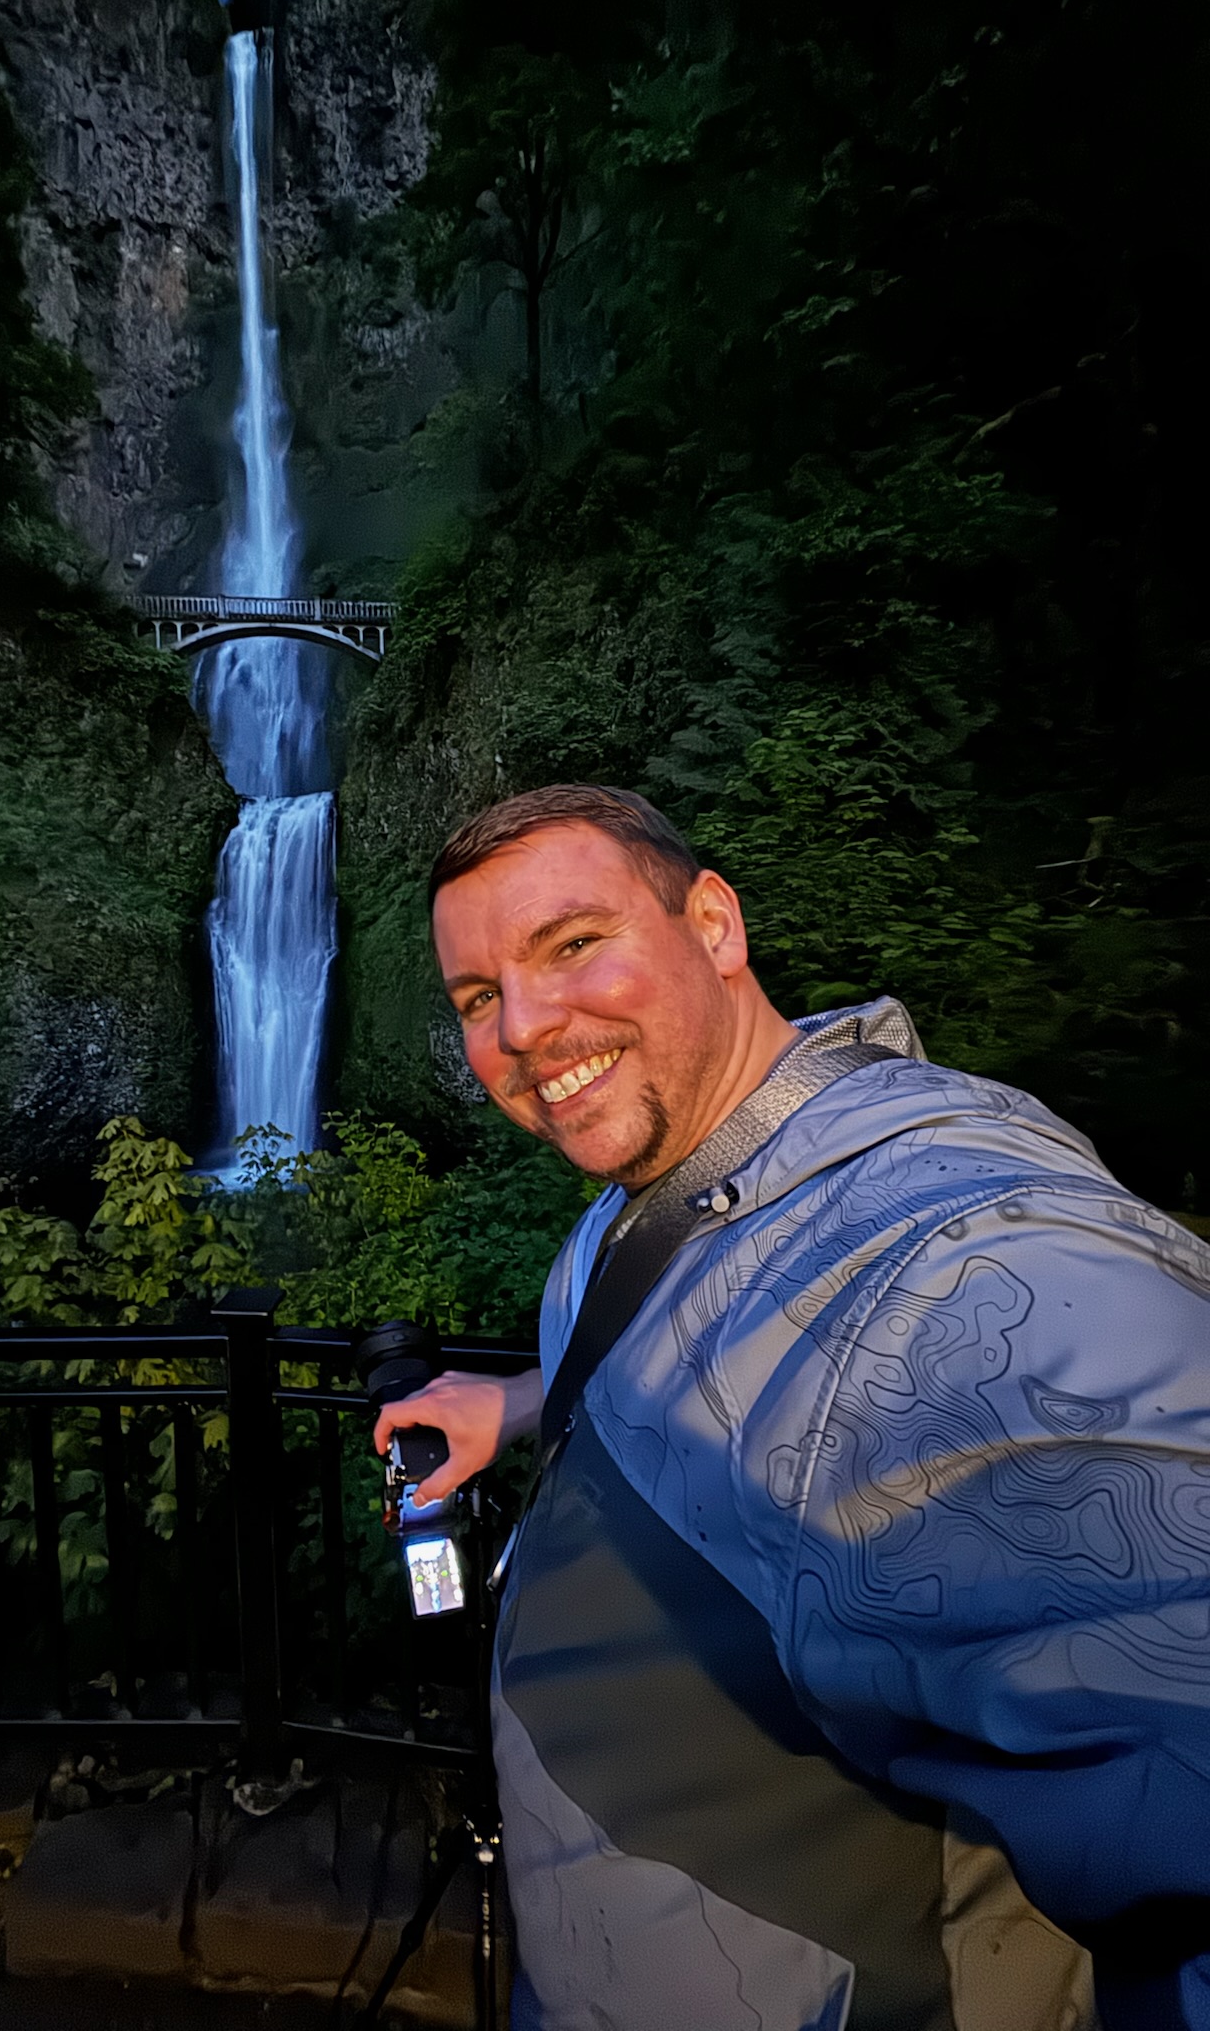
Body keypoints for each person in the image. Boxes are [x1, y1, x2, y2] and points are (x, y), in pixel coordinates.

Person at [373, 783, 1210, 2031]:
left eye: (573, 943)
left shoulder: (953, 1266)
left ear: (713, 923)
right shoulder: (672, 1180)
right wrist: (532, 1395)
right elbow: (710, 1338)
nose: (528, 1027)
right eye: (479, 996)